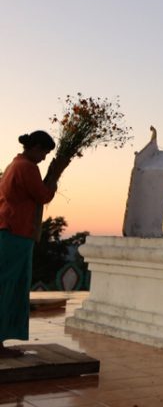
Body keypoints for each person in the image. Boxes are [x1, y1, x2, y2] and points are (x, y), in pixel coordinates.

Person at [0, 131, 70, 358]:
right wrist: (54, 177)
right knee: (8, 287)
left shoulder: (15, 164)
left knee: (8, 285)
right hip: (15, 232)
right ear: (35, 147)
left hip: (10, 230)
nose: (43, 158)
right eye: (43, 153)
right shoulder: (27, 167)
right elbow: (43, 195)